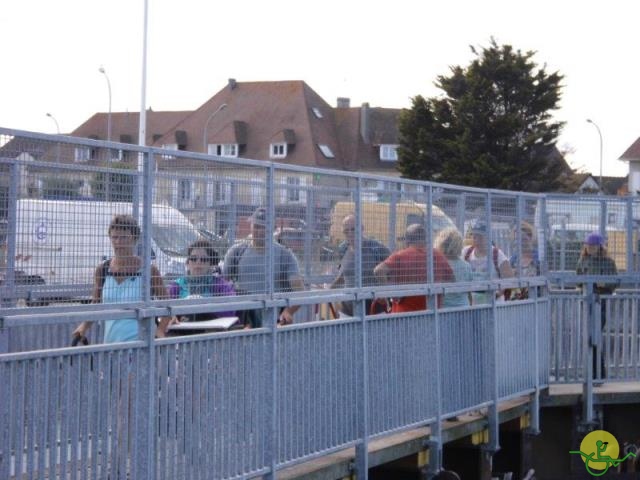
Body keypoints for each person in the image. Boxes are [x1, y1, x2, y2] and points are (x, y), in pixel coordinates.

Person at [72, 214, 171, 343]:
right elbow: (96, 304)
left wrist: (160, 331)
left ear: (134, 239)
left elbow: (167, 306)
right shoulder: (102, 270)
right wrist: (84, 326)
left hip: (141, 347)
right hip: (111, 347)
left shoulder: (149, 270)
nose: (119, 242)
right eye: (115, 237)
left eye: (124, 237)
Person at [222, 207, 304, 328]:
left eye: (264, 227)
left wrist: (288, 311)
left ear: (272, 229)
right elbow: (223, 286)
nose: (260, 231)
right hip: (244, 321)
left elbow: (299, 292)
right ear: (251, 226)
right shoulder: (236, 252)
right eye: (257, 226)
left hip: (273, 321)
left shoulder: (284, 255)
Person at [374, 224, 454, 312]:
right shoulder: (438, 256)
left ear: (407, 240)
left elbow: (378, 271)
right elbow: (452, 279)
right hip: (432, 313)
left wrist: (388, 294)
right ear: (425, 239)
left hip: (404, 314)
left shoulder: (400, 255)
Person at [167, 239, 236, 334]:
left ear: (210, 264)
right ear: (187, 263)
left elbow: (231, 310)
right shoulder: (176, 286)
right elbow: (164, 311)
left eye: (203, 259)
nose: (198, 262)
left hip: (211, 335)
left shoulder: (220, 285)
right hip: (181, 336)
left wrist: (206, 306)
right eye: (193, 259)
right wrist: (172, 316)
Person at [576, 231, 618, 381]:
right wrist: (582, 285)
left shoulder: (608, 262)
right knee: (589, 338)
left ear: (600, 247)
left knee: (594, 336)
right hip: (587, 302)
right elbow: (577, 279)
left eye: (594, 246)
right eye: (588, 245)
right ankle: (593, 374)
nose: (590, 248)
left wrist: (604, 284)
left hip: (600, 303)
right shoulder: (583, 261)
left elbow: (616, 281)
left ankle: (598, 374)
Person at [331, 214, 391, 316]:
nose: (350, 233)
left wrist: (385, 292)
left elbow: (394, 270)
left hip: (373, 309)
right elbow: (342, 276)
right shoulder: (343, 249)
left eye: (353, 229)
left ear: (362, 228)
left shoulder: (376, 248)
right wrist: (327, 292)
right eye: (346, 231)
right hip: (347, 310)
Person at [462, 221, 513, 304]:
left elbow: (509, 278)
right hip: (472, 304)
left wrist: (498, 293)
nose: (476, 240)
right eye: (474, 237)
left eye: (480, 237)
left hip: (493, 303)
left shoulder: (497, 254)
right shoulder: (466, 252)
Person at [435, 227, 473, 307]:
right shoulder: (467, 266)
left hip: (444, 310)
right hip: (464, 308)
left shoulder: (438, 265)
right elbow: (469, 292)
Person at [509, 221, 540, 299]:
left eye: (523, 239)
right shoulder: (514, 259)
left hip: (536, 298)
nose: (519, 242)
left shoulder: (538, 258)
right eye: (517, 239)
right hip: (517, 300)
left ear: (530, 237)